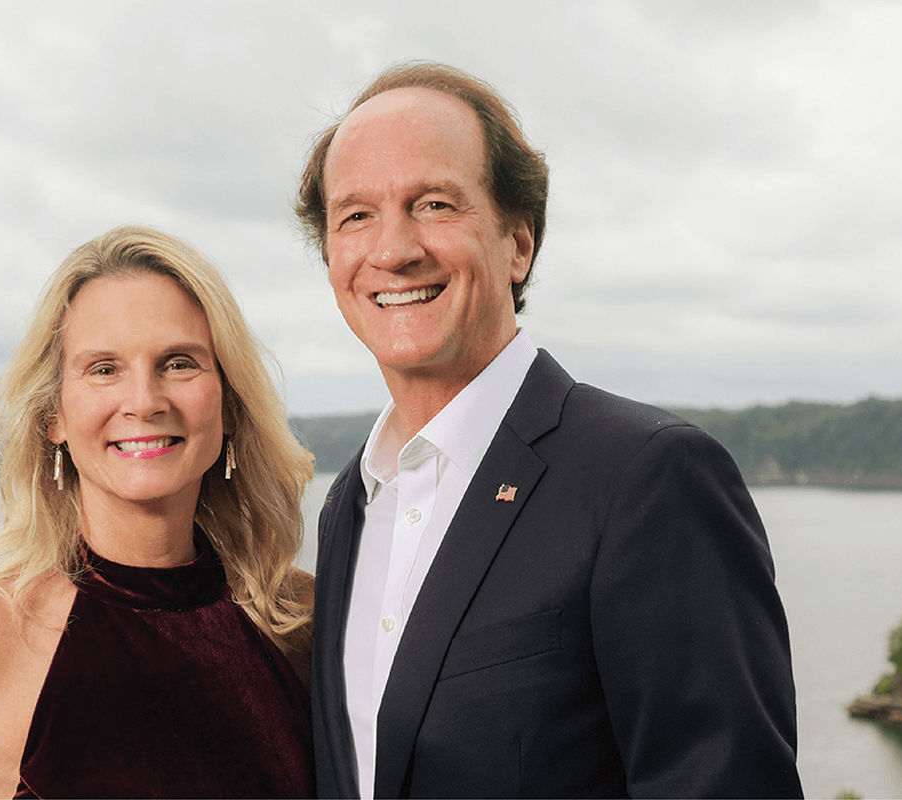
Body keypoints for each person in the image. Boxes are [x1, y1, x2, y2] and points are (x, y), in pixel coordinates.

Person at [295, 62, 803, 798]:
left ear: (518, 243)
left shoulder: (647, 478)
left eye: (434, 203)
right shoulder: (350, 504)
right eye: (356, 215)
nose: (394, 248)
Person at [0, 225, 317, 798]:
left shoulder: (297, 622)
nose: (145, 401)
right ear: (53, 415)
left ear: (228, 403)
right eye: (104, 369)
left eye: (178, 363)